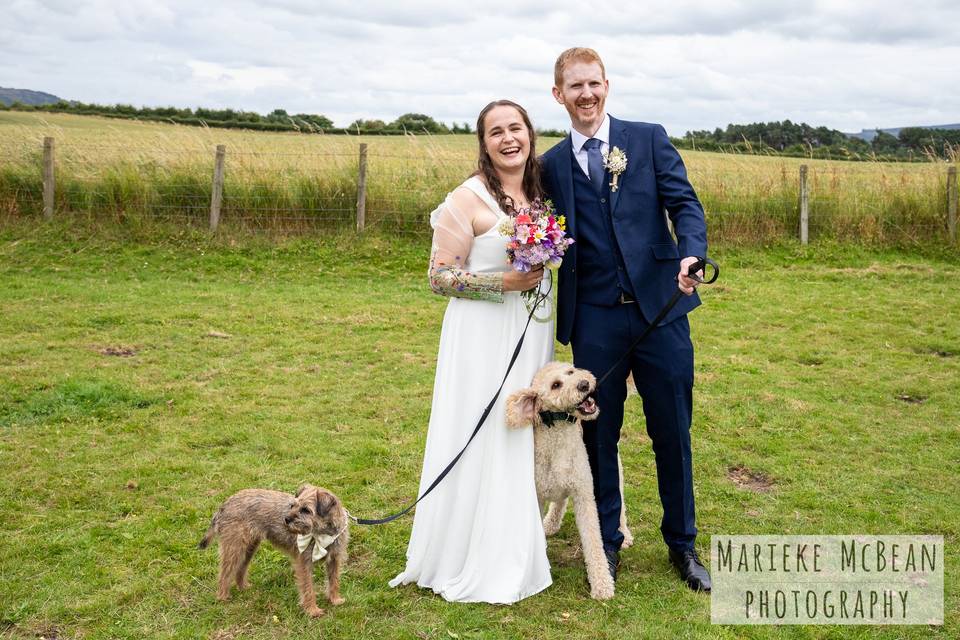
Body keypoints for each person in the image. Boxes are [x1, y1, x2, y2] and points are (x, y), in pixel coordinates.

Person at [539, 47, 712, 592]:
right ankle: (607, 541)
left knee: (672, 432)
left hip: (660, 312)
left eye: (594, 84)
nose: (585, 95)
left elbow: (685, 205)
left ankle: (682, 545)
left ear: (607, 86)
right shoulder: (549, 165)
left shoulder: (648, 137)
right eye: (575, 87)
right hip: (593, 320)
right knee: (598, 436)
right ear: (558, 95)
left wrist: (690, 252)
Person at [389, 99, 554, 603]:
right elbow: (438, 276)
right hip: (481, 334)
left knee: (520, 430)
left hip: (530, 330)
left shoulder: (539, 192)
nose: (509, 139)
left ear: (530, 133)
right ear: (483, 143)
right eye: (496, 132)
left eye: (516, 128)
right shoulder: (467, 198)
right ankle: (469, 550)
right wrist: (500, 283)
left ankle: (512, 538)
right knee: (482, 429)